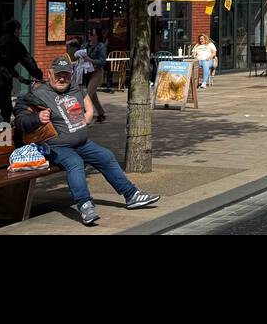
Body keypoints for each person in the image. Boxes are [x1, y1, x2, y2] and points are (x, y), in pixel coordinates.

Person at [14, 56, 159, 226]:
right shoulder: (37, 94)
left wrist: (89, 113)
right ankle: (85, 205)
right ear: (50, 73)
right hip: (56, 146)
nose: (62, 79)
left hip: (82, 143)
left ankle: (131, 195)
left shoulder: (74, 87)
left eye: (66, 75)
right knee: (75, 163)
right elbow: (19, 120)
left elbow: (86, 99)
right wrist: (36, 118)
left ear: (71, 75)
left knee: (105, 155)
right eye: (58, 75)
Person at [0, 19, 44, 123]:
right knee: (6, 108)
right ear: (16, 30)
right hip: (1, 80)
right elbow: (28, 61)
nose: (19, 33)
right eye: (19, 30)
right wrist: (38, 75)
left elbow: (3, 63)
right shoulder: (14, 43)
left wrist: (17, 76)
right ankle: (2, 131)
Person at [85, 29, 108, 119]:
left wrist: (91, 60)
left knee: (88, 94)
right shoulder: (86, 45)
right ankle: (101, 114)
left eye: (92, 34)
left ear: (97, 36)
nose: (89, 36)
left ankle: (83, 115)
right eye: (89, 34)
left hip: (97, 72)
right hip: (87, 73)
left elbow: (102, 62)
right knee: (93, 95)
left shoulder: (101, 46)